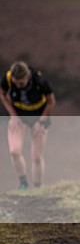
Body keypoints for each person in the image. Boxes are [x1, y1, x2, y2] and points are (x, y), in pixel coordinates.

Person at [0, 61, 56, 190]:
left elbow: (51, 102)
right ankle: (23, 183)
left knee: (36, 156)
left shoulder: (40, 80)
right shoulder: (8, 77)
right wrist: (13, 115)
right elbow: (2, 94)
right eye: (16, 83)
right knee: (14, 151)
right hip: (19, 117)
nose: (19, 86)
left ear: (28, 76)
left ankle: (38, 187)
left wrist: (41, 121)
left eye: (22, 84)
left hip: (39, 117)